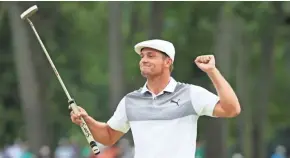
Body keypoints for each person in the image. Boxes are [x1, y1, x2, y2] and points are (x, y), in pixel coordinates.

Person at [70, 39, 241, 158]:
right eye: (142, 56)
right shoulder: (131, 101)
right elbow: (108, 136)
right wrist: (87, 120)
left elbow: (232, 109)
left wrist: (212, 71)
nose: (144, 60)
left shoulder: (190, 94)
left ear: (167, 62)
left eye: (150, 56)